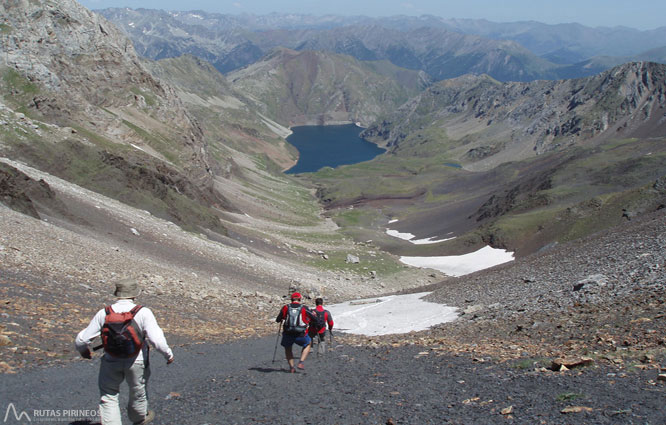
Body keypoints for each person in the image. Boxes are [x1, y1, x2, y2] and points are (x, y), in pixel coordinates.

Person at [75, 278, 174, 425]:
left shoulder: (104, 313)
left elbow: (82, 339)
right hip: (137, 359)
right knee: (137, 390)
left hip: (111, 359)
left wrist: (84, 351)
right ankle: (139, 418)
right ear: (135, 294)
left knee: (109, 394)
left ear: (117, 294)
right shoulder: (143, 312)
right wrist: (168, 355)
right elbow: (157, 340)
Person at [275, 292, 315, 373]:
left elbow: (278, 319)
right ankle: (301, 362)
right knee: (308, 344)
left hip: (288, 332)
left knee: (288, 348)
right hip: (301, 333)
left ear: (291, 299)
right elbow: (314, 319)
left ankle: (291, 367)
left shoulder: (286, 307)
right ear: (300, 299)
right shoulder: (304, 308)